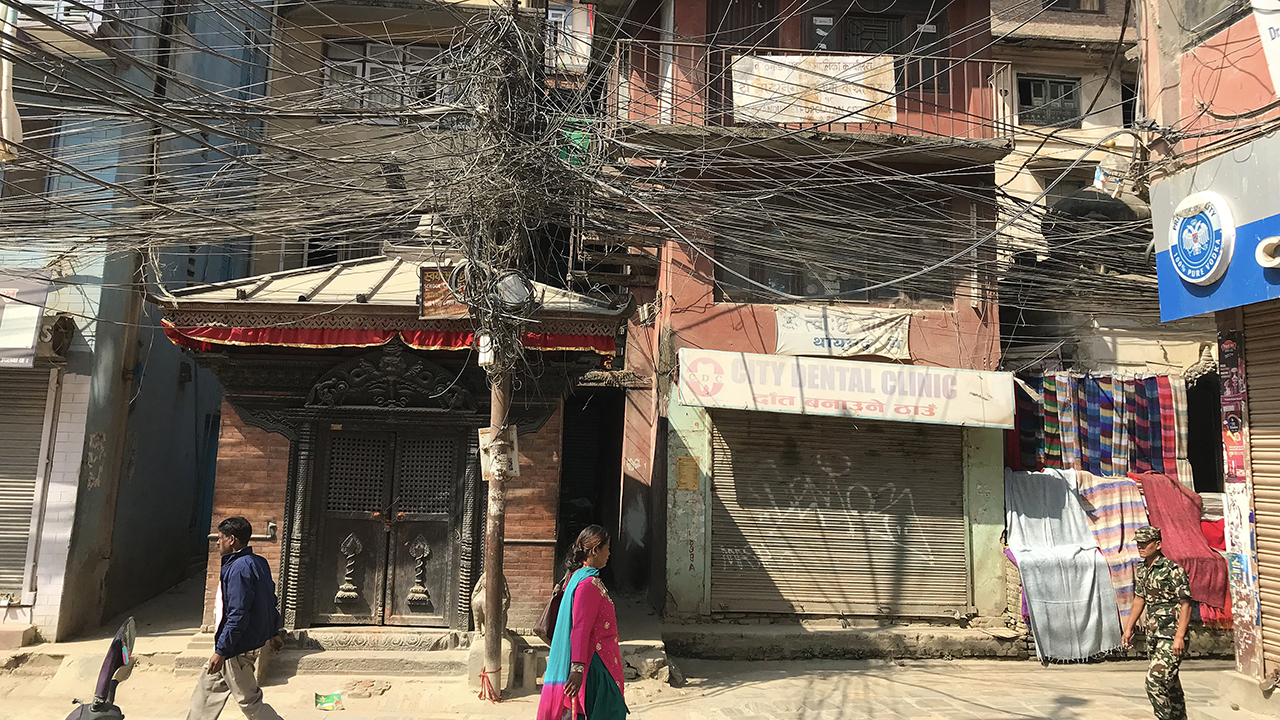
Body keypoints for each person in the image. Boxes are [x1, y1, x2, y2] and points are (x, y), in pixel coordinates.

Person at [187, 517, 285, 720]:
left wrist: (222, 650)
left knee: (249, 701)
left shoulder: (239, 568)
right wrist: (273, 632)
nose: (217, 542)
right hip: (237, 643)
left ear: (231, 539)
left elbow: (238, 613)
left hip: (237, 648)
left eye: (220, 538)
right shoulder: (259, 562)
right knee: (207, 692)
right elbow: (269, 601)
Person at [537, 525, 628, 720]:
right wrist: (577, 668)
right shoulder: (587, 585)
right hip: (597, 664)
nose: (609, 554)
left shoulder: (580, 578)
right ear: (595, 550)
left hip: (601, 659)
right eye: (607, 548)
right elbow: (580, 628)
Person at [1122, 525, 1193, 720]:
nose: (1140, 547)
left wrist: (1179, 636)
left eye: (1145, 543)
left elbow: (1186, 604)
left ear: (1158, 544)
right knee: (1170, 683)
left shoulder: (1174, 571)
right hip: (1154, 635)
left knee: (1154, 682)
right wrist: (1128, 628)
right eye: (1138, 543)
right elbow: (1139, 599)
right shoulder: (1143, 569)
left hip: (1171, 636)